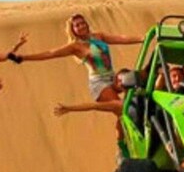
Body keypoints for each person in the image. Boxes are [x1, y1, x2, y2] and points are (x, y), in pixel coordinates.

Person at [17, 13, 142, 158]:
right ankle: (122, 146)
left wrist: (142, 38)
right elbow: (50, 53)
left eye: (82, 23)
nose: (81, 26)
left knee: (135, 87)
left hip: (113, 78)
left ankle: (135, 135)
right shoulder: (75, 46)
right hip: (99, 84)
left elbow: (120, 38)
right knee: (122, 109)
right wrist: (24, 58)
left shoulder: (98, 36)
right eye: (77, 25)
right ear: (73, 29)